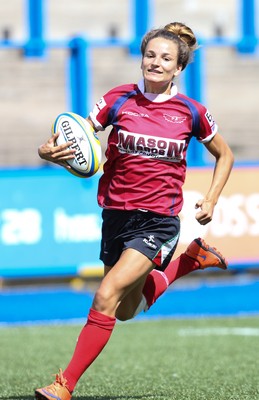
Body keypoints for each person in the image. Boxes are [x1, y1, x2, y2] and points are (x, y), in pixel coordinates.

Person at [35, 22, 234, 400]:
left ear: (178, 68)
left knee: (106, 295)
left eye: (166, 58)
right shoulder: (118, 99)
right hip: (115, 214)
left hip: (159, 221)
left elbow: (224, 154)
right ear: (141, 58)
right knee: (125, 310)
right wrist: (50, 153)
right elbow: (79, 143)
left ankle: (65, 385)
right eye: (150, 55)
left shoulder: (192, 112)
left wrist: (211, 199)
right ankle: (188, 261)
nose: (155, 63)